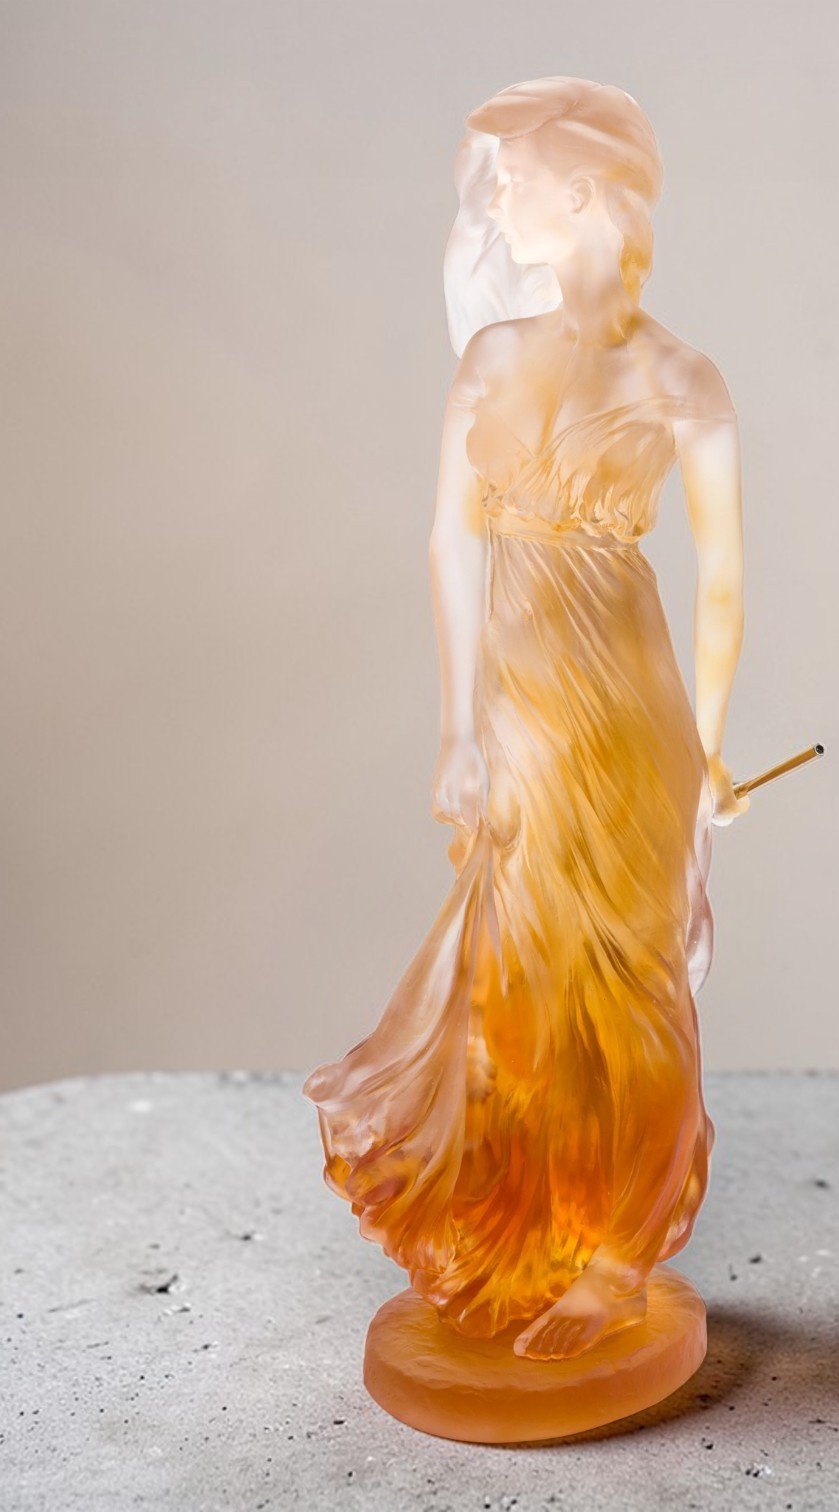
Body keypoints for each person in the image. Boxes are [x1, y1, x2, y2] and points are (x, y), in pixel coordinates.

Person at [303, 77, 748, 1363]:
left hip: (630, 706)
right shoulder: (492, 359)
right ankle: (523, 1226)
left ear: (588, 190)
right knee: (520, 972)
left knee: (626, 973)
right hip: (522, 708)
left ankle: (614, 1256)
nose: (496, 205)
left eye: (515, 180)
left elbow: (722, 581)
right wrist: (458, 730)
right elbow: (449, 539)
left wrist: (711, 746)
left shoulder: (683, 379)